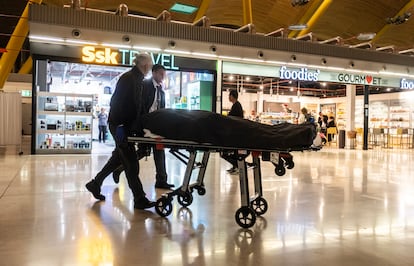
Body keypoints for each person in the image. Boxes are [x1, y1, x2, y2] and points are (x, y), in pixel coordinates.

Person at [85, 53, 156, 210]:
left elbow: (138, 106)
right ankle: (139, 198)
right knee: (131, 163)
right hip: (120, 126)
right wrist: (121, 127)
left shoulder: (137, 79)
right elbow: (116, 103)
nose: (150, 69)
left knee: (118, 158)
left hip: (124, 126)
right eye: (150, 66)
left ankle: (95, 183)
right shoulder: (129, 78)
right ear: (145, 66)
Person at [112, 64, 174, 189]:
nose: (163, 77)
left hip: (156, 128)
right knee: (141, 152)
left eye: (164, 74)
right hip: (144, 125)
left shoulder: (161, 91)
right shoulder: (145, 85)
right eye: (161, 74)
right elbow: (139, 105)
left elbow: (161, 108)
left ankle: (161, 179)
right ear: (154, 73)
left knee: (159, 150)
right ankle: (119, 169)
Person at [221, 89, 244, 174]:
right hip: (236, 132)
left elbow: (232, 118)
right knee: (233, 152)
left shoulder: (236, 106)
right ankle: (235, 167)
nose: (228, 97)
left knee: (228, 152)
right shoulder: (236, 105)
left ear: (232, 96)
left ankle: (237, 166)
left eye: (229, 96)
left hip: (236, 132)